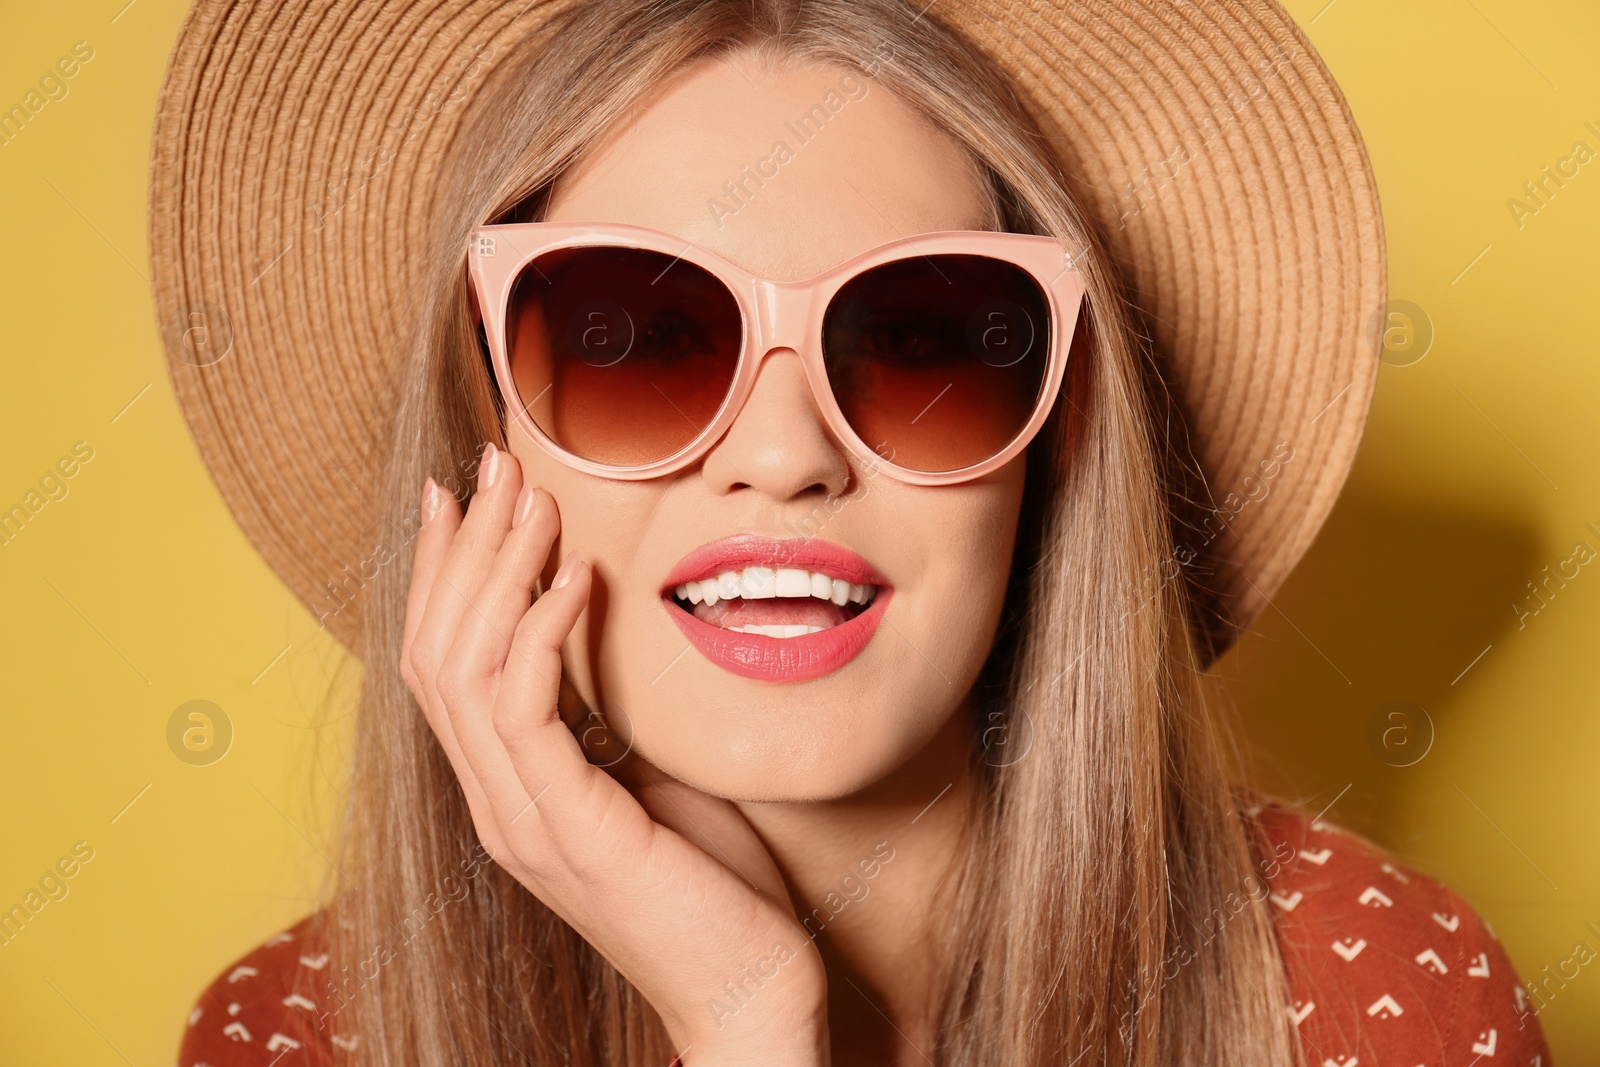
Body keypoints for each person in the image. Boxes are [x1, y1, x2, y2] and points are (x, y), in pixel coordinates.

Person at [150, 0, 1552, 1064]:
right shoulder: (302, 1034)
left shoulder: (1364, 1002)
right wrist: (747, 1013)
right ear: (489, 427)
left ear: (1058, 438)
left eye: (921, 337)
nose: (784, 454)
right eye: (639, 337)